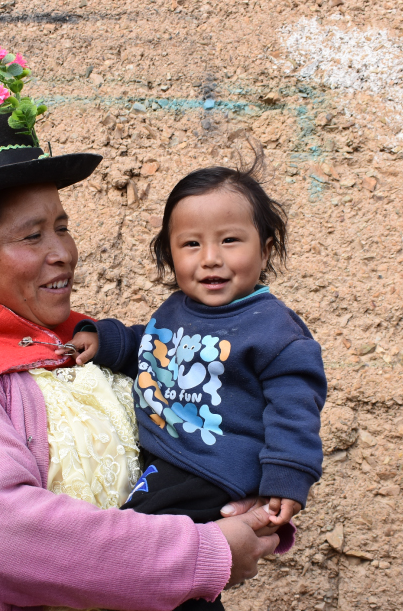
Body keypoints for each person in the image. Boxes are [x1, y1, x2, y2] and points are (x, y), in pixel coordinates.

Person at [0, 101, 289, 611]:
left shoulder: (69, 345)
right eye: (32, 235)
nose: (62, 252)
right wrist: (206, 550)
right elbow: (3, 537)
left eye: (62, 227)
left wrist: (248, 503)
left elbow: (204, 427)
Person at [69, 158, 328, 610]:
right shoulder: (175, 310)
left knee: (142, 550)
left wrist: (286, 478)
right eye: (191, 244)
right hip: (169, 460)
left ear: (265, 250)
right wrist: (106, 339)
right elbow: (148, 348)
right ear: (170, 255)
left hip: (212, 469)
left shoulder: (272, 328)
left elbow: (295, 406)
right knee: (177, 578)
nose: (211, 258)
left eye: (230, 240)